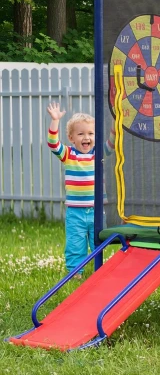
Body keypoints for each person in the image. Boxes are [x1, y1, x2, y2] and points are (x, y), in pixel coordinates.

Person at [46, 103, 107, 276]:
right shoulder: (69, 155)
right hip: (76, 213)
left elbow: (111, 144)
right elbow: (53, 144)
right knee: (75, 244)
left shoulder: (99, 154)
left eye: (90, 133)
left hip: (97, 211)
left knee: (98, 244)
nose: (86, 137)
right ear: (72, 138)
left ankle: (99, 273)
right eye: (81, 134)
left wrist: (113, 129)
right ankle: (75, 274)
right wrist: (55, 121)